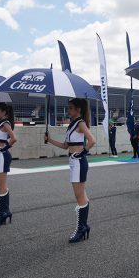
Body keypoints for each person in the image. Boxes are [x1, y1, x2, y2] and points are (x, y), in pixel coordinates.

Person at [45, 98, 96, 243]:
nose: (68, 110)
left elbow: (92, 140)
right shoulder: (72, 125)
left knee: (79, 197)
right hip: (74, 162)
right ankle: (84, 227)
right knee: (82, 196)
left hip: (78, 162)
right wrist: (49, 140)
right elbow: (65, 146)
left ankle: (81, 229)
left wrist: (82, 153)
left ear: (78, 110)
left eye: (71, 108)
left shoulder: (80, 123)